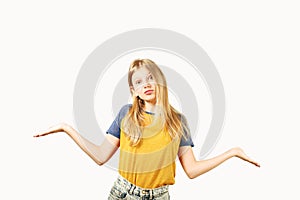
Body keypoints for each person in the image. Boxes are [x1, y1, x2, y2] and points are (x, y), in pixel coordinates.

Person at [34, 59, 260, 200]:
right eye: (139, 82)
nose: (147, 84)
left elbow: (191, 170)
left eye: (150, 78)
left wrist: (232, 152)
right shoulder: (126, 114)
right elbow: (100, 156)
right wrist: (67, 128)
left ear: (160, 81)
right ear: (134, 90)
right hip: (123, 194)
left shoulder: (178, 122)